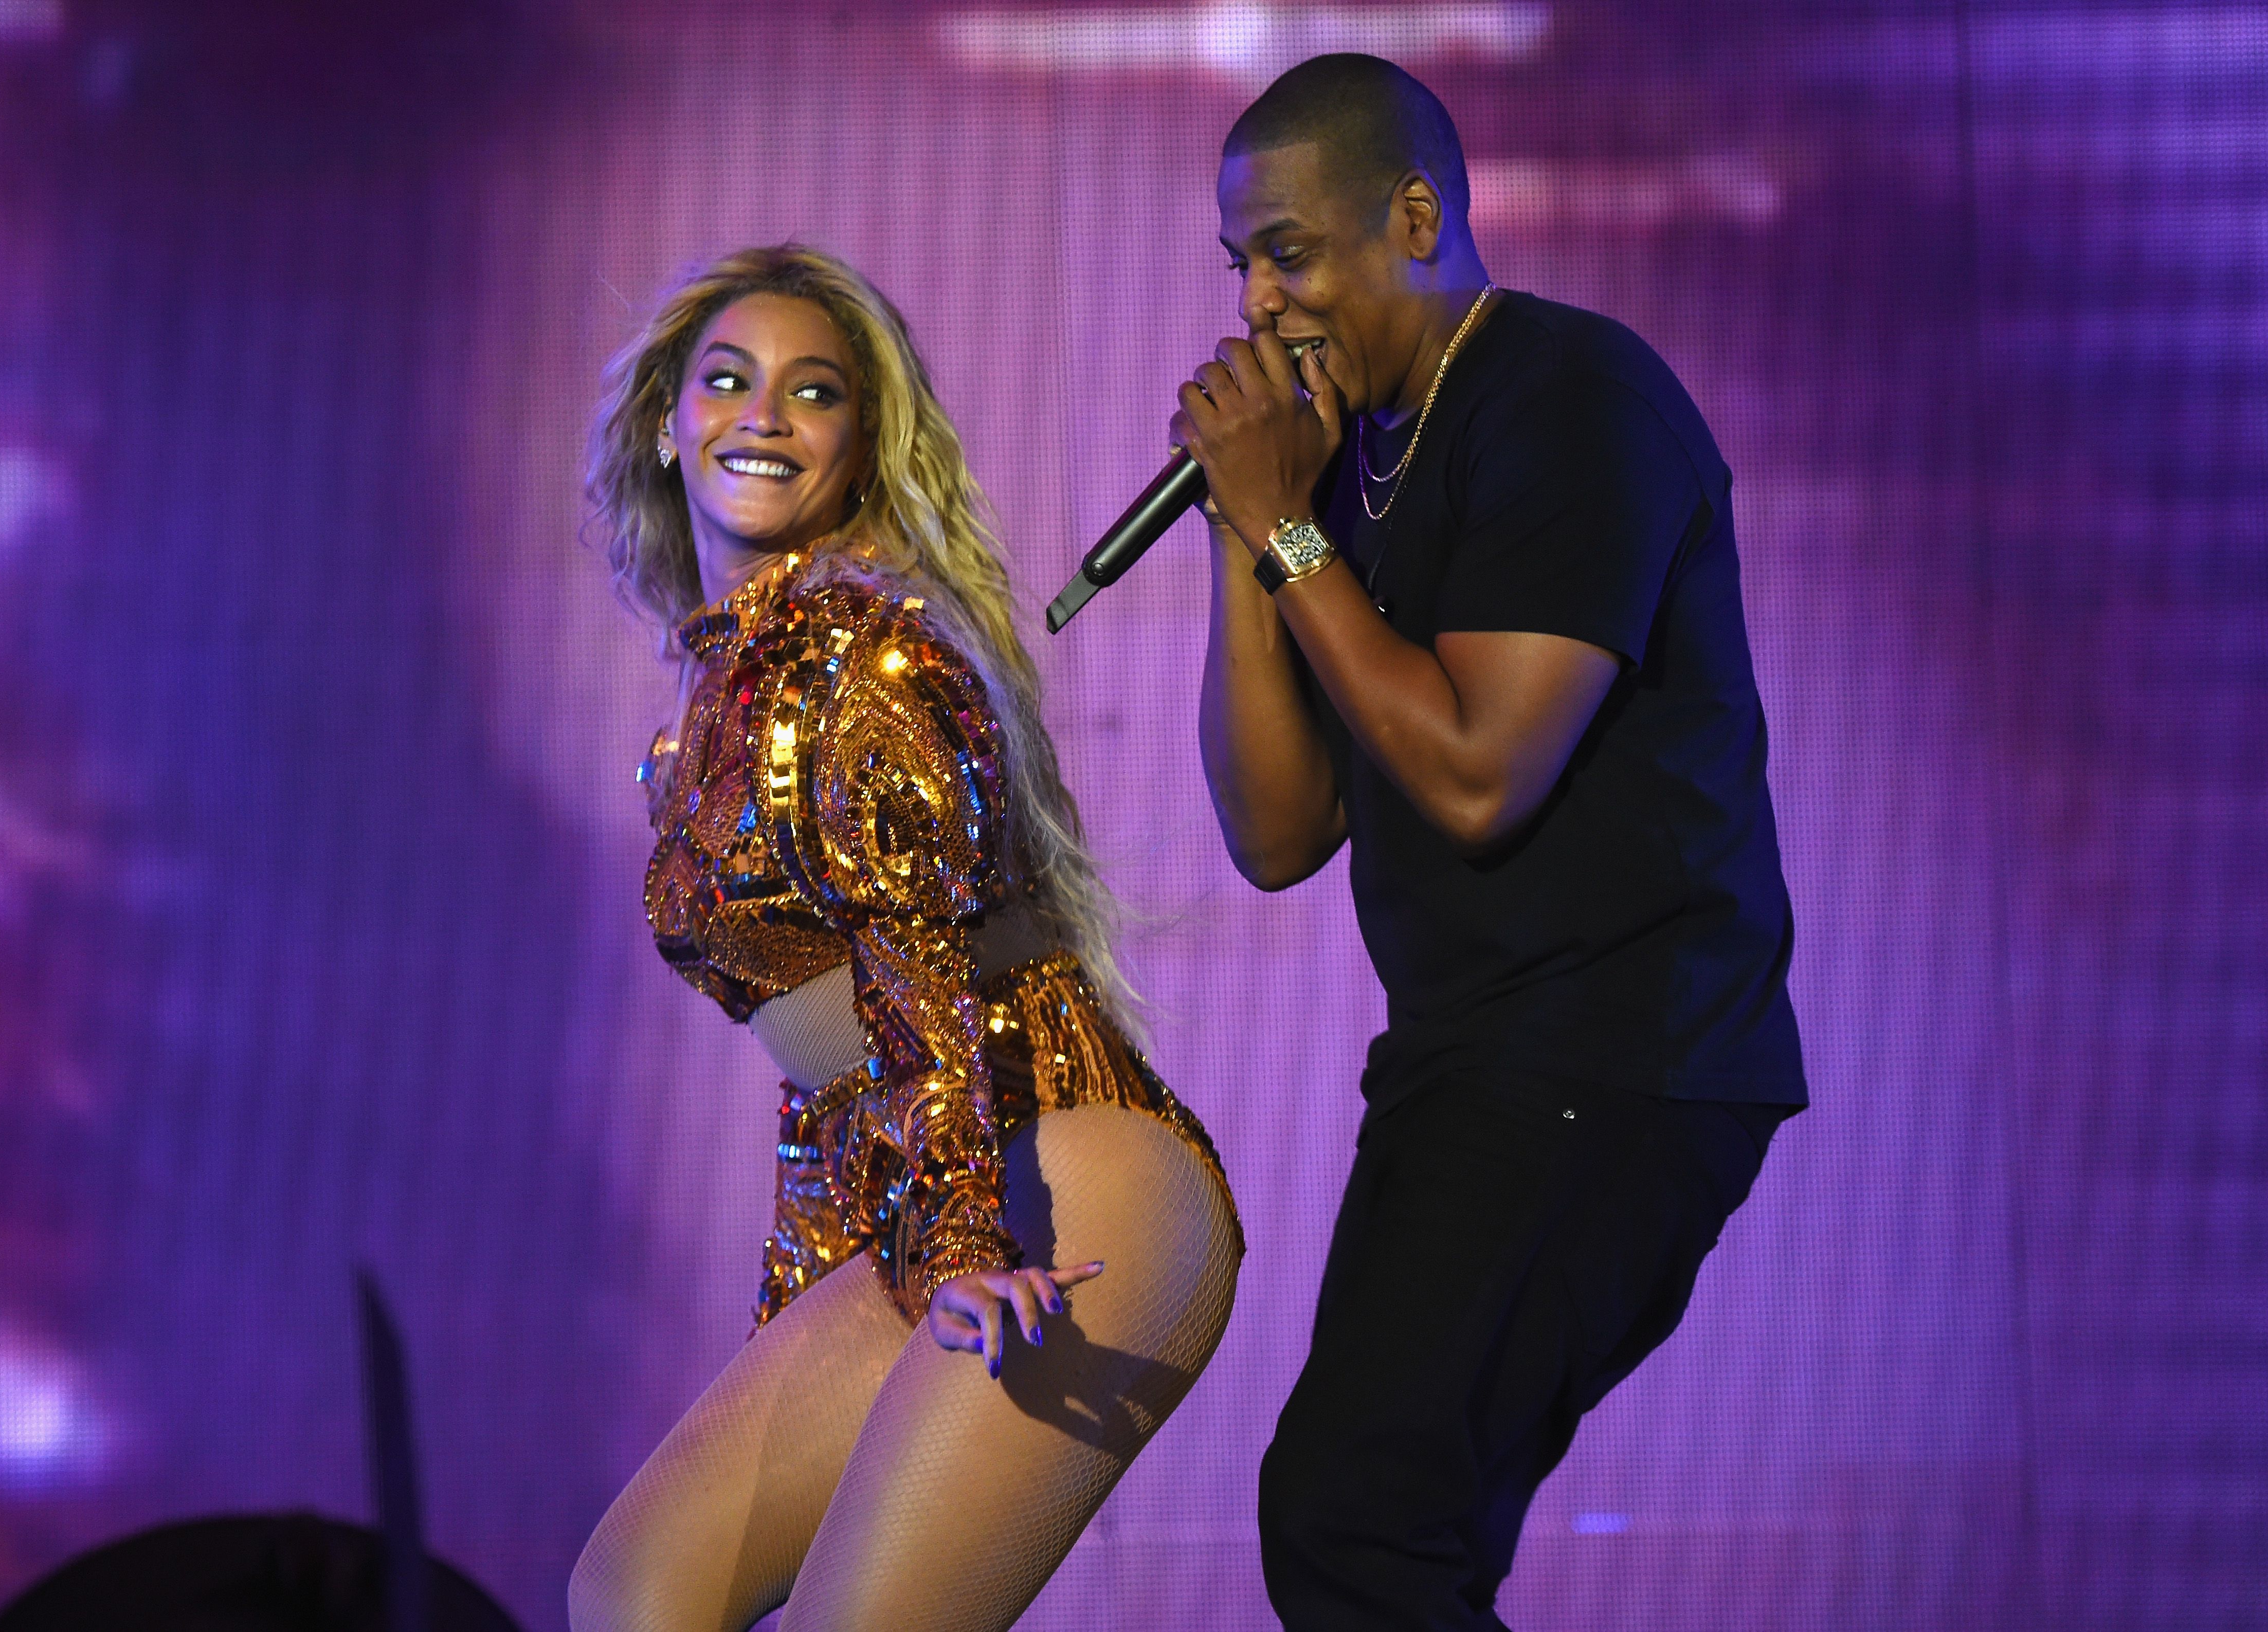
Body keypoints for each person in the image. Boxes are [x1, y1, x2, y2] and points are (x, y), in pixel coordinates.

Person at [1172, 56, 1807, 1629]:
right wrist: (1245, 532)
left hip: (1614, 1053)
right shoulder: (1345, 466)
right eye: (1241, 263)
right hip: (1472, 1059)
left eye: (1289, 253)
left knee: (1358, 1522)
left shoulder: (1570, 398)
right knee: (1376, 1526)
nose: (1258, 301)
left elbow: (1472, 777)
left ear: (1413, 216)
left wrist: (1288, 527)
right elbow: (1276, 830)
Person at [567, 245, 1242, 1632]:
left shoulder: (863, 654)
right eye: (728, 380)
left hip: (1057, 1180)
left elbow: (911, 975)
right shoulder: (705, 708)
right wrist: (812, 1297)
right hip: (922, 1197)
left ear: (862, 445)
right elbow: (833, 1091)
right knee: (634, 1598)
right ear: (664, 420)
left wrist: (954, 1248)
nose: (763, 414)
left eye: (812, 392)